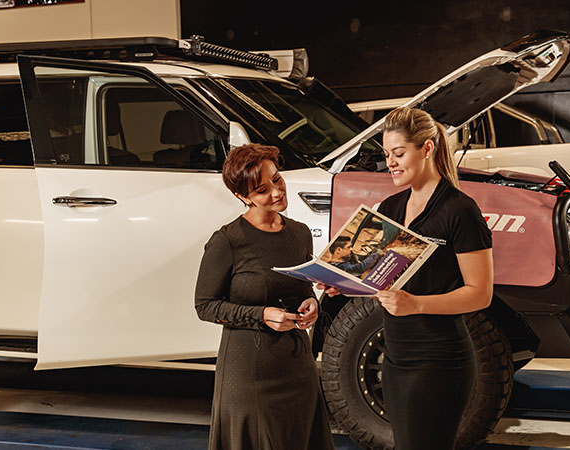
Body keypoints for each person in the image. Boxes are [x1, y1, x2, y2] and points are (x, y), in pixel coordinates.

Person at [322, 107, 494, 449]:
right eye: (387, 155)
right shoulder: (390, 208)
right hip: (396, 357)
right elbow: (378, 281)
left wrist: (416, 304)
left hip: (440, 360)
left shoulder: (459, 210)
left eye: (399, 153)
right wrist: (342, 284)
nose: (391, 163)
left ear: (427, 149)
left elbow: (480, 294)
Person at [194, 143, 335, 450]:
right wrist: (261, 315)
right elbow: (204, 306)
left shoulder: (299, 233)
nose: (276, 192)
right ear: (242, 197)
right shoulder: (227, 241)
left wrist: (311, 304)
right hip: (250, 372)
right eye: (261, 190)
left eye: (277, 179)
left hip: (298, 366)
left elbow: (300, 288)